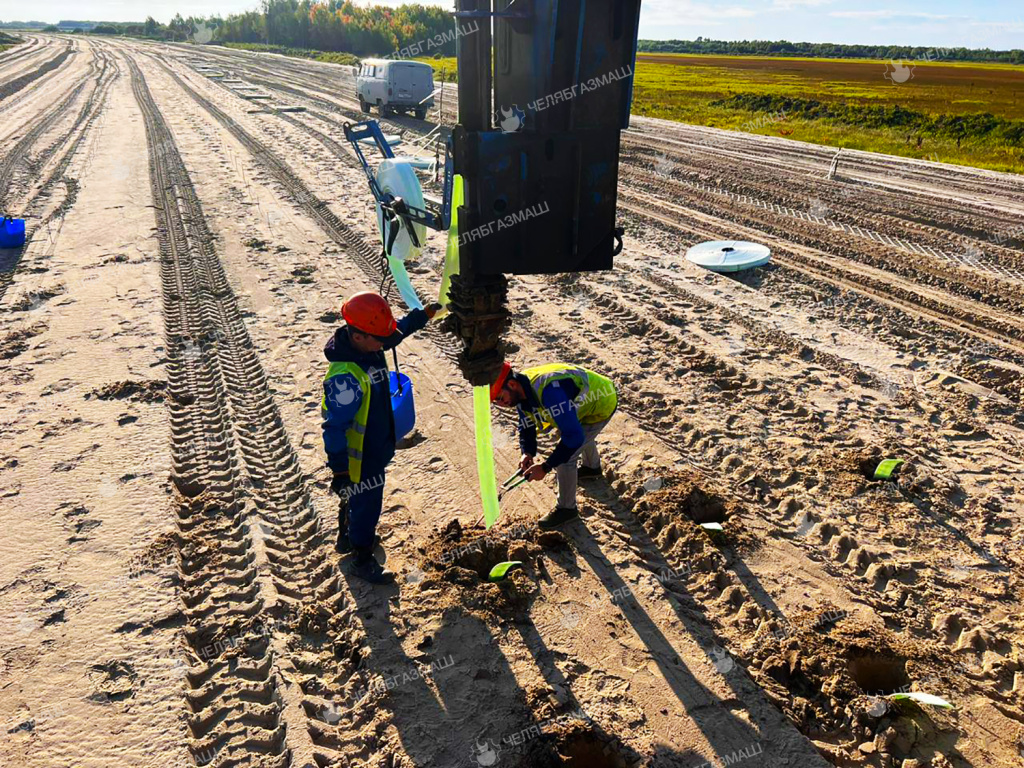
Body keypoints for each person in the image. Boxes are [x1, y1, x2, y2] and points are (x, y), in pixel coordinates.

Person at [322, 291, 440, 583]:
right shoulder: (345, 377)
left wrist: (421, 316)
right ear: (359, 336)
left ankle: (346, 538)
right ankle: (361, 559)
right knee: (366, 503)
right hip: (360, 457)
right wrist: (340, 470)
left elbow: (393, 334)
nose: (384, 345)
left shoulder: (368, 345)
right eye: (379, 339)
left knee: (354, 499)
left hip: (376, 443)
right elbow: (334, 428)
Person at [491, 361, 617, 528]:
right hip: (585, 402)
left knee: (567, 455)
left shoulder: (549, 393)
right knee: (574, 429)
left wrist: (545, 467)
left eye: (500, 397)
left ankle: (567, 509)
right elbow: (526, 425)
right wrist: (527, 452)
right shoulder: (521, 390)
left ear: (512, 384)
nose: (501, 404)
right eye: (495, 402)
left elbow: (573, 437)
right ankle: (592, 468)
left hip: (602, 400)